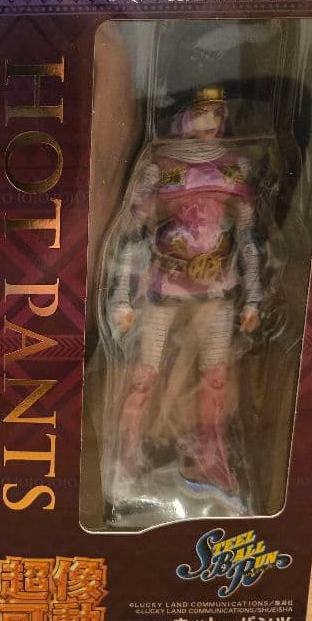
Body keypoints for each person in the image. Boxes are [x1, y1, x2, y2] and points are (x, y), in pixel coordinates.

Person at [106, 86, 263, 508]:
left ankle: (211, 459)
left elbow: (249, 238)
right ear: (184, 116)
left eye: (217, 112)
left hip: (218, 287)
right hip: (165, 285)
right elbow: (131, 236)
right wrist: (121, 298)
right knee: (143, 378)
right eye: (201, 112)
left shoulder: (235, 168)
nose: (210, 122)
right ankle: (126, 464)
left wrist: (254, 298)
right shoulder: (160, 168)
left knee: (215, 378)